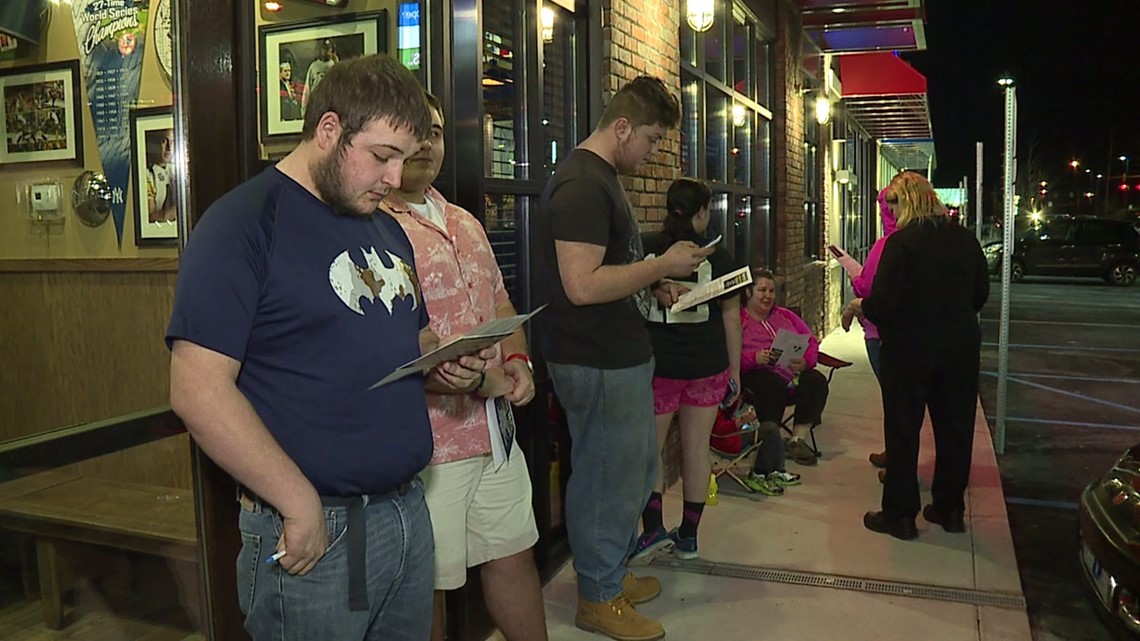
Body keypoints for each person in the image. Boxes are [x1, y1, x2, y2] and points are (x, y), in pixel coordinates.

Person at [167, 54, 488, 641]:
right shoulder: (240, 224)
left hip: (406, 510)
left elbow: (404, 338)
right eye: (383, 157)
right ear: (329, 130)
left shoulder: (385, 225)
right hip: (312, 531)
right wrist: (297, 502)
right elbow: (196, 389)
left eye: (405, 159)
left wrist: (445, 365)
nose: (396, 178)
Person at [533, 76, 713, 641]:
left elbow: (608, 273)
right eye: (653, 139)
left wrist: (647, 287)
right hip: (597, 361)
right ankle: (598, 595)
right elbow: (581, 285)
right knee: (610, 478)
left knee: (630, 473)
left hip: (615, 355)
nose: (654, 151)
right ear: (621, 127)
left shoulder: (599, 178)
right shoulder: (584, 186)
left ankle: (605, 574)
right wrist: (661, 267)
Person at [378, 92, 547, 641]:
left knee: (512, 554)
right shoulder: (373, 225)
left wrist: (519, 360)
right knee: (424, 584)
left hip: (494, 431)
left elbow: (501, 304)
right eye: (414, 131)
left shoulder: (465, 222)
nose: (427, 143)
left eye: (435, 130)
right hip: (430, 447)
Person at [629, 177, 789, 563]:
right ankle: (688, 536)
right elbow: (732, 319)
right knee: (697, 449)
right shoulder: (719, 257)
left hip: (659, 365)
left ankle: (652, 531)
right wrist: (734, 372)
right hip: (707, 365)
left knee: (651, 450)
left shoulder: (647, 249)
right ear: (702, 213)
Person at [842, 171, 990, 541]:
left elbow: (884, 304)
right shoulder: (965, 239)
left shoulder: (902, 243)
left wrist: (861, 304)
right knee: (955, 430)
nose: (889, 210)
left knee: (904, 431)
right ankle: (949, 509)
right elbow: (980, 295)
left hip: (909, 349)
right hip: (959, 348)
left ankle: (900, 515)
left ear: (906, 201)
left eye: (893, 202)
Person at [739, 268, 829, 466]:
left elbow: (811, 341)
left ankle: (797, 440)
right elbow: (729, 356)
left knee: (816, 380)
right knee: (770, 384)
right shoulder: (739, 320)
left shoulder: (784, 315)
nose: (768, 296)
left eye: (771, 291)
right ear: (748, 292)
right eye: (762, 291)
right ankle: (771, 442)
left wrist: (806, 361)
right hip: (756, 376)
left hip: (790, 375)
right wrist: (754, 358)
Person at [848, 186, 898, 473]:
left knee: (894, 401)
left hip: (879, 333)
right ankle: (895, 455)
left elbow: (868, 288)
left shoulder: (886, 245)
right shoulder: (919, 241)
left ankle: (896, 460)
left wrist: (856, 279)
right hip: (907, 334)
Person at [146, 128, 177, 224]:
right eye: (164, 141)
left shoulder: (176, 170)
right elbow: (150, 217)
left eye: (172, 142)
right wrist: (169, 214)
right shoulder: (147, 176)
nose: (169, 148)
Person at [301, 39, 339, 114]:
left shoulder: (335, 65)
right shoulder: (314, 66)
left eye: (328, 49)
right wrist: (304, 108)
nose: (326, 52)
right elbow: (307, 88)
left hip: (330, 105)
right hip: (316, 104)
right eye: (324, 49)